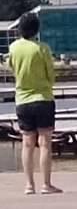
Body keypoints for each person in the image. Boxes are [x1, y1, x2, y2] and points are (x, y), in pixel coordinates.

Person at [6, 13, 61, 195]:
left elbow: (11, 67)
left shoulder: (13, 48)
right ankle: (46, 184)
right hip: (43, 98)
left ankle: (29, 185)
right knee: (45, 143)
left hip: (22, 99)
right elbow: (51, 75)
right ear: (36, 29)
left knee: (27, 143)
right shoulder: (42, 48)